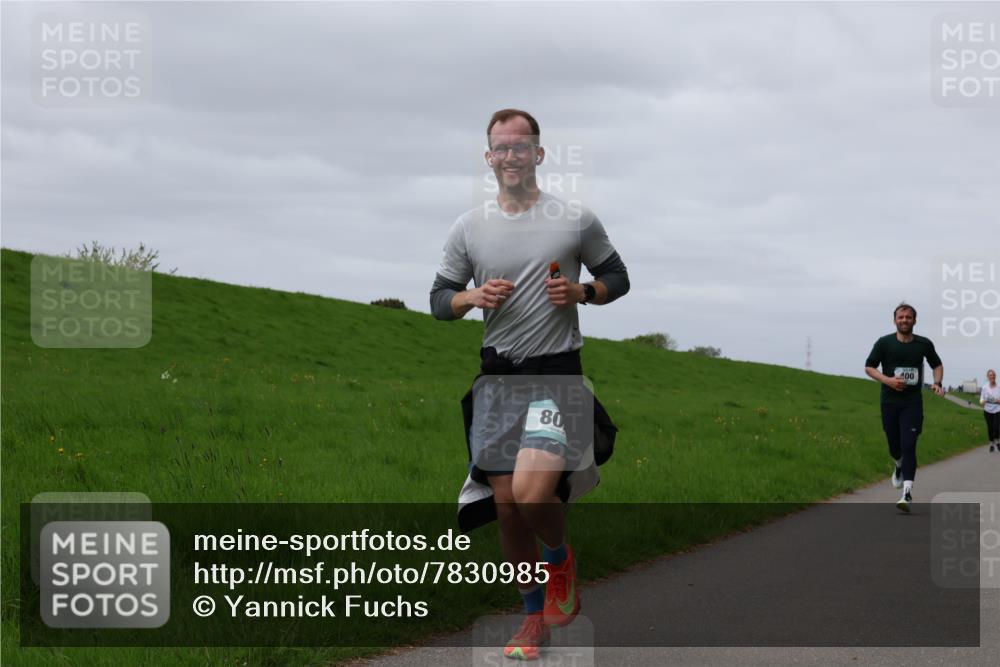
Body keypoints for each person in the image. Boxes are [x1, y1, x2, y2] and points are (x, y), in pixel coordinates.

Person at [430, 109, 629, 660]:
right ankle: (532, 618)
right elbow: (439, 300)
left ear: (538, 154)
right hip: (497, 383)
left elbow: (617, 277)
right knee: (507, 507)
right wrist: (470, 297)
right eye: (501, 147)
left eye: (521, 146)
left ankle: (559, 559)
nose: (511, 156)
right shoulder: (468, 227)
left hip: (555, 377)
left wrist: (583, 293)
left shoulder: (575, 220)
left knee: (532, 492)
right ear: (488, 157)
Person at [864, 303, 945, 513]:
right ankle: (898, 465)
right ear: (895, 320)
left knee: (909, 445)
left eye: (908, 317)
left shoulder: (923, 344)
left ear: (914, 320)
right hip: (889, 402)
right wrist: (888, 380)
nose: (904, 320)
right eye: (901, 317)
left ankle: (907, 494)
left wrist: (937, 383)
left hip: (912, 403)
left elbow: (937, 364)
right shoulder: (884, 343)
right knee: (894, 446)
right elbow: (869, 367)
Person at [981, 369, 1000, 452]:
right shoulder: (985, 388)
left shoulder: (999, 387)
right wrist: (982, 402)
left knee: (996, 428)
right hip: (987, 411)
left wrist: (998, 401)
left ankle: (997, 442)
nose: (992, 376)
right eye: (990, 375)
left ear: (995, 376)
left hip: (997, 410)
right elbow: (981, 399)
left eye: (993, 375)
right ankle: (991, 444)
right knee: (990, 428)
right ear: (988, 377)